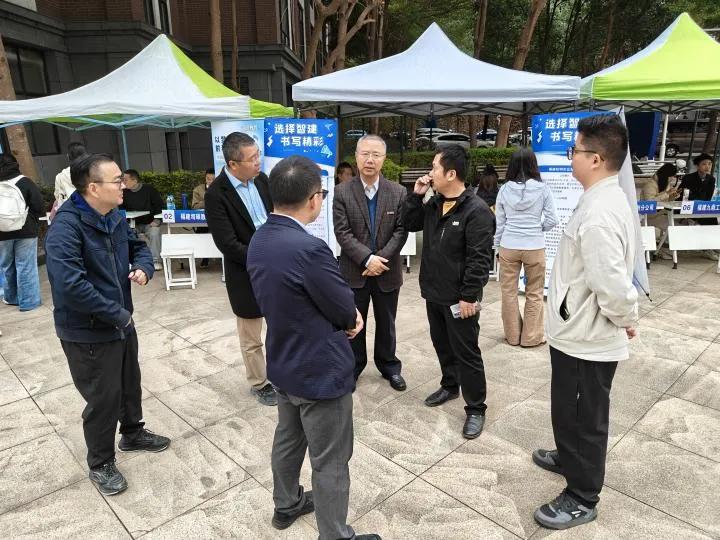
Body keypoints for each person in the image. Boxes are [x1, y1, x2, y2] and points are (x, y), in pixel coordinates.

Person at [247, 155, 379, 540]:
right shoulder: (310, 248)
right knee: (331, 460)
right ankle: (334, 535)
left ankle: (286, 503)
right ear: (313, 199)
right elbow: (342, 306)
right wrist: (352, 319)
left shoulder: (259, 239)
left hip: (283, 362)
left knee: (288, 439)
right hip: (319, 371)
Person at [533, 114, 639, 530]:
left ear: (595, 158)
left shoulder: (599, 212)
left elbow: (611, 282)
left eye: (573, 150)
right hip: (577, 329)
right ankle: (570, 455)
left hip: (587, 337)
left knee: (583, 416)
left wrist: (627, 317)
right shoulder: (600, 198)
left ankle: (582, 495)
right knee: (570, 410)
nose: (570, 157)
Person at [45, 154, 170, 496]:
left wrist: (144, 268)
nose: (124, 185)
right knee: (103, 397)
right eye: (117, 181)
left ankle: (132, 433)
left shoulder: (112, 214)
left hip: (120, 320)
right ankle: (100, 462)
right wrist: (117, 314)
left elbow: (138, 246)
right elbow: (70, 285)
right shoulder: (66, 228)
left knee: (129, 383)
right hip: (87, 329)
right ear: (93, 187)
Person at [402, 144, 495, 439]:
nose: (430, 173)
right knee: (442, 343)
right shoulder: (435, 203)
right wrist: (416, 195)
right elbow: (410, 223)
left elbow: (479, 259)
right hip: (434, 291)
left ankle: (476, 407)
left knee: (467, 352)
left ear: (451, 174)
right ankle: (449, 385)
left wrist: (469, 296)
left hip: (460, 298)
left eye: (434, 168)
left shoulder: (476, 211)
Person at [204, 132, 277, 406]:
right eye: (252, 158)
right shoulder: (216, 194)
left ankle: (281, 373)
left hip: (276, 268)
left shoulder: (262, 180)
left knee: (280, 326)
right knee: (251, 335)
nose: (258, 162)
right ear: (233, 164)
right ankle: (259, 383)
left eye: (258, 155)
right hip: (246, 272)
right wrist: (262, 259)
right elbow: (228, 243)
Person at [333, 135, 408, 390]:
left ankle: (389, 366)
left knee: (387, 323)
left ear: (384, 159)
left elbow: (401, 230)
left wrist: (379, 260)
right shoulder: (342, 191)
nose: (370, 159)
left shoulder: (398, 192)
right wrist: (366, 259)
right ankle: (353, 367)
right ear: (356, 157)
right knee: (354, 323)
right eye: (365, 154)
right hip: (355, 271)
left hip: (387, 271)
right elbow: (342, 232)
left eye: (376, 155)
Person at [494, 147, 558, 347]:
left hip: (508, 246)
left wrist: (496, 247)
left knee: (508, 292)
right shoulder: (543, 189)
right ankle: (531, 338)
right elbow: (552, 220)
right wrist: (537, 228)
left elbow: (500, 223)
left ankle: (513, 336)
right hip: (534, 246)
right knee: (535, 293)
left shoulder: (504, 190)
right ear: (533, 165)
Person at [0, 154, 44, 311]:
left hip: (1, 232)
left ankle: (11, 297)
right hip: (26, 230)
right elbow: (39, 206)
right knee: (26, 266)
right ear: (15, 164)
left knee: (7, 265)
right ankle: (29, 302)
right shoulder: (24, 182)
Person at [120, 169, 164, 271]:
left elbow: (159, 206)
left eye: (125, 180)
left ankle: (155, 261)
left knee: (154, 232)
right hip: (132, 223)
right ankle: (132, 262)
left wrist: (157, 220)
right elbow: (120, 209)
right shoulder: (123, 192)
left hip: (150, 223)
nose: (123, 182)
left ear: (134, 180)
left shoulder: (149, 190)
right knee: (124, 233)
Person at [679, 153, 718, 259]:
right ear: (698, 166)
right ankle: (707, 248)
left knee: (712, 218)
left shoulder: (711, 179)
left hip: (701, 207)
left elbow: (708, 197)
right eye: (704, 164)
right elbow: (683, 195)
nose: (707, 167)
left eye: (709, 164)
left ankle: (712, 244)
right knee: (708, 220)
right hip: (688, 207)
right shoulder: (688, 178)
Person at [639, 163, 679, 260]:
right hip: (650, 216)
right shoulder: (650, 185)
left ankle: (662, 248)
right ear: (666, 175)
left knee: (676, 225)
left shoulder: (664, 184)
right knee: (674, 227)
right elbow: (649, 203)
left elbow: (664, 201)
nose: (673, 179)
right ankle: (660, 250)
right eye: (672, 176)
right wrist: (667, 194)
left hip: (660, 214)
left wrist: (672, 196)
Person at [192, 168, 215, 268]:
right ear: (205, 178)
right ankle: (204, 256)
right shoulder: (198, 189)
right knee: (201, 232)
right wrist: (209, 201)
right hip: (203, 219)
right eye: (208, 179)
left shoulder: (223, 188)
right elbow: (194, 206)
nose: (210, 181)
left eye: (213, 179)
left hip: (218, 218)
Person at [54, 141, 86, 207]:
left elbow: (58, 196)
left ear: (68, 156)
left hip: (69, 209)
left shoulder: (60, 176)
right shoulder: (92, 172)